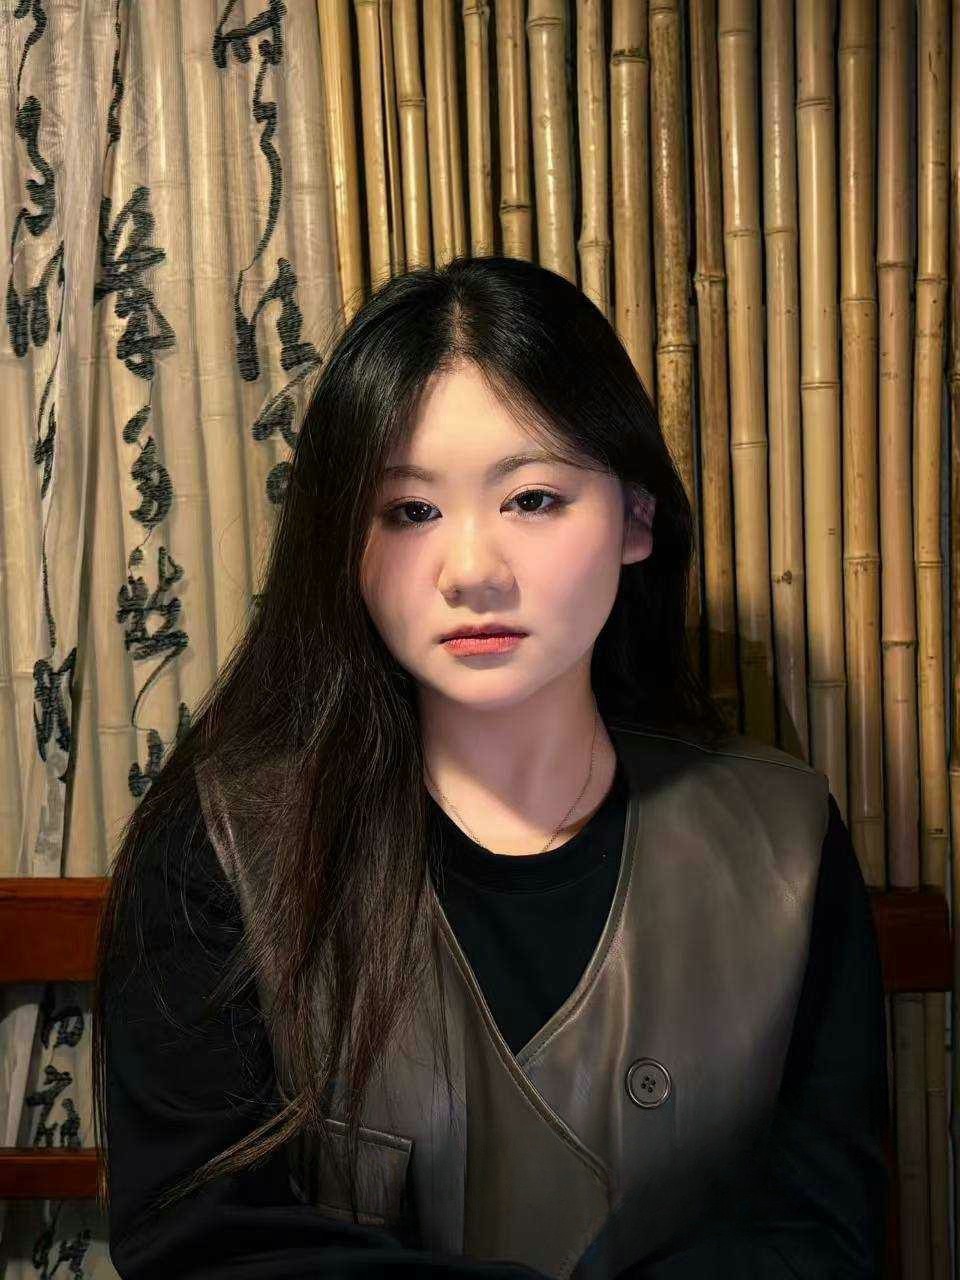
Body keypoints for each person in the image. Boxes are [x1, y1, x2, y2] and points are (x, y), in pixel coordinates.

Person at [92, 256, 890, 1278]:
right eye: (409, 511)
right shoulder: (221, 844)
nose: (471, 569)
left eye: (534, 498)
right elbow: (200, 1244)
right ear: (342, 540)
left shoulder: (783, 837)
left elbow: (822, 1228)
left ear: (636, 517)